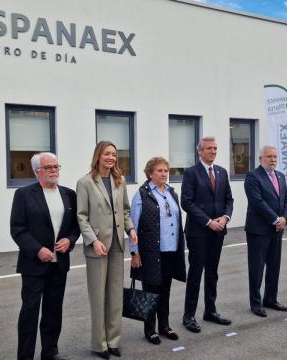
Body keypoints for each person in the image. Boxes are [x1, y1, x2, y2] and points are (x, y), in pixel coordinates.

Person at [10, 152, 81, 360]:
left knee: (53, 311)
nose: (54, 171)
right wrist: (37, 249)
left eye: (56, 166)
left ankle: (50, 352)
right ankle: (25, 356)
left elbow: (75, 226)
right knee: (29, 313)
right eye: (48, 167)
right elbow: (18, 229)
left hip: (59, 264)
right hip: (34, 264)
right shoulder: (24, 194)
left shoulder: (69, 194)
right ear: (37, 171)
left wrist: (70, 240)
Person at [76, 141, 137, 360]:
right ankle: (99, 344)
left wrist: (131, 230)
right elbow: (81, 216)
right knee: (98, 297)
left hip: (117, 246)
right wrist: (93, 240)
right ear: (98, 156)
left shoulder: (120, 181)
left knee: (115, 296)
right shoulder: (85, 183)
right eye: (107, 154)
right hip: (98, 247)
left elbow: (126, 211)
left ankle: (113, 341)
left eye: (114, 154)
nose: (111, 158)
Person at [129, 157, 186, 345]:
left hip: (171, 251)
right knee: (151, 291)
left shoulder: (171, 193)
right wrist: (134, 253)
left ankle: (165, 326)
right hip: (151, 252)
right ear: (150, 173)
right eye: (160, 170)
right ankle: (150, 329)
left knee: (165, 290)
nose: (164, 174)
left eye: (166, 170)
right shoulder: (142, 194)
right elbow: (134, 227)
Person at [181, 136, 234, 333]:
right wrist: (208, 221)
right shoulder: (191, 173)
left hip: (218, 231)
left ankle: (210, 311)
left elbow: (229, 198)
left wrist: (225, 218)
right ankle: (189, 315)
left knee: (212, 272)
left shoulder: (221, 172)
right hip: (198, 232)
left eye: (215, 148)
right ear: (200, 151)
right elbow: (187, 202)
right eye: (209, 148)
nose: (213, 151)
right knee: (195, 274)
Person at [244, 145, 287, 317]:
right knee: (256, 268)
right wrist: (276, 219)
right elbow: (257, 202)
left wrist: (284, 218)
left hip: (277, 230)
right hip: (259, 230)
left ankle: (270, 299)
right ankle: (256, 303)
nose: (272, 160)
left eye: (275, 157)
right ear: (260, 159)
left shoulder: (280, 176)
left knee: (274, 266)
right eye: (269, 157)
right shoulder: (253, 176)